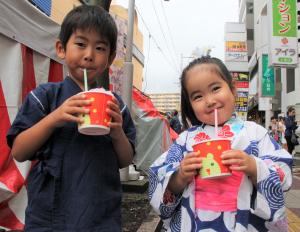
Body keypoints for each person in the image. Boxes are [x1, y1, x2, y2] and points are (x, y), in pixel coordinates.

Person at [6, 5, 136, 231]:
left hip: (101, 215)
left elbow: (124, 160)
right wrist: (55, 117)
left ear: (110, 57)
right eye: (81, 44)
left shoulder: (116, 105)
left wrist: (116, 131)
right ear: (61, 48)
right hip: (50, 216)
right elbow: (19, 151)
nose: (89, 55)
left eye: (100, 48)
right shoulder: (45, 97)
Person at [148, 57, 292, 231]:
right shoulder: (185, 139)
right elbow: (159, 176)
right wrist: (179, 177)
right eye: (198, 96)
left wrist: (254, 167)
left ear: (232, 88)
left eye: (215, 88)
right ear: (190, 104)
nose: (209, 101)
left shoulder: (255, 134)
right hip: (195, 224)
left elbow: (282, 171)